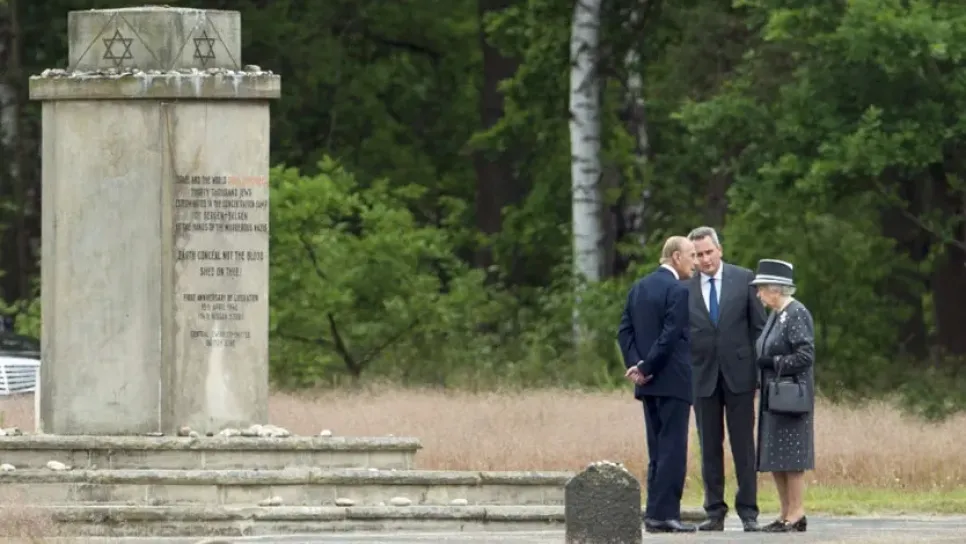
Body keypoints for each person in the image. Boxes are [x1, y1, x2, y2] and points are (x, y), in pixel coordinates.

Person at [685, 226, 765, 532]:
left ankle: (749, 512)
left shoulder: (743, 279)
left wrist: (759, 373)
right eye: (699, 255)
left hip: (740, 375)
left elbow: (759, 329)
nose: (705, 259)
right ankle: (714, 511)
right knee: (709, 446)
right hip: (702, 376)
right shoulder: (685, 287)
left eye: (709, 252)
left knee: (743, 445)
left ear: (719, 250)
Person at [617, 236, 698, 534]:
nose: (695, 262)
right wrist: (647, 366)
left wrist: (637, 365)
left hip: (648, 384)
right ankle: (665, 515)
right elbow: (671, 334)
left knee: (657, 449)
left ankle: (653, 513)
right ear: (676, 257)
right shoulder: (678, 290)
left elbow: (624, 331)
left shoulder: (639, 287)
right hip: (672, 379)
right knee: (673, 449)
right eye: (691, 255)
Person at [749, 259, 816, 533]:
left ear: (776, 289)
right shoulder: (777, 315)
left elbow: (805, 355)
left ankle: (797, 513)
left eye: (761, 288)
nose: (758, 294)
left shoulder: (796, 313)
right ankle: (785, 512)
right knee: (775, 455)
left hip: (791, 395)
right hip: (773, 395)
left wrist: (774, 362)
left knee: (791, 456)